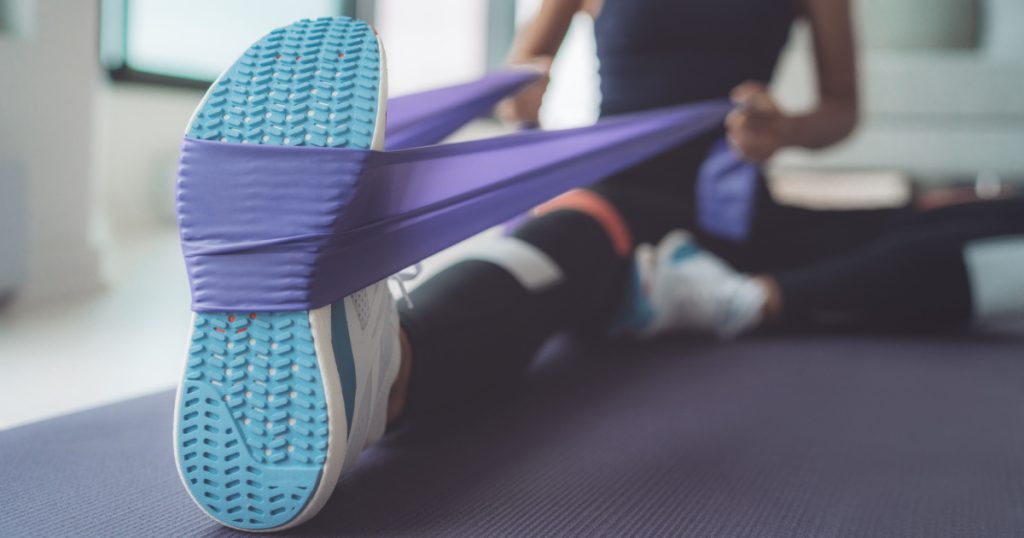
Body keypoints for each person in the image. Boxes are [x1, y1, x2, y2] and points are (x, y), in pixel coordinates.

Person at [175, 4, 1024, 530]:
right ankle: (390, 368)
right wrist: (521, 90)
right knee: (557, 251)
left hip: (738, 206)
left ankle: (735, 296)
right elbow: (521, 77)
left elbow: (842, 108)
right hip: (620, 187)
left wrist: (785, 126)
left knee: (974, 217)